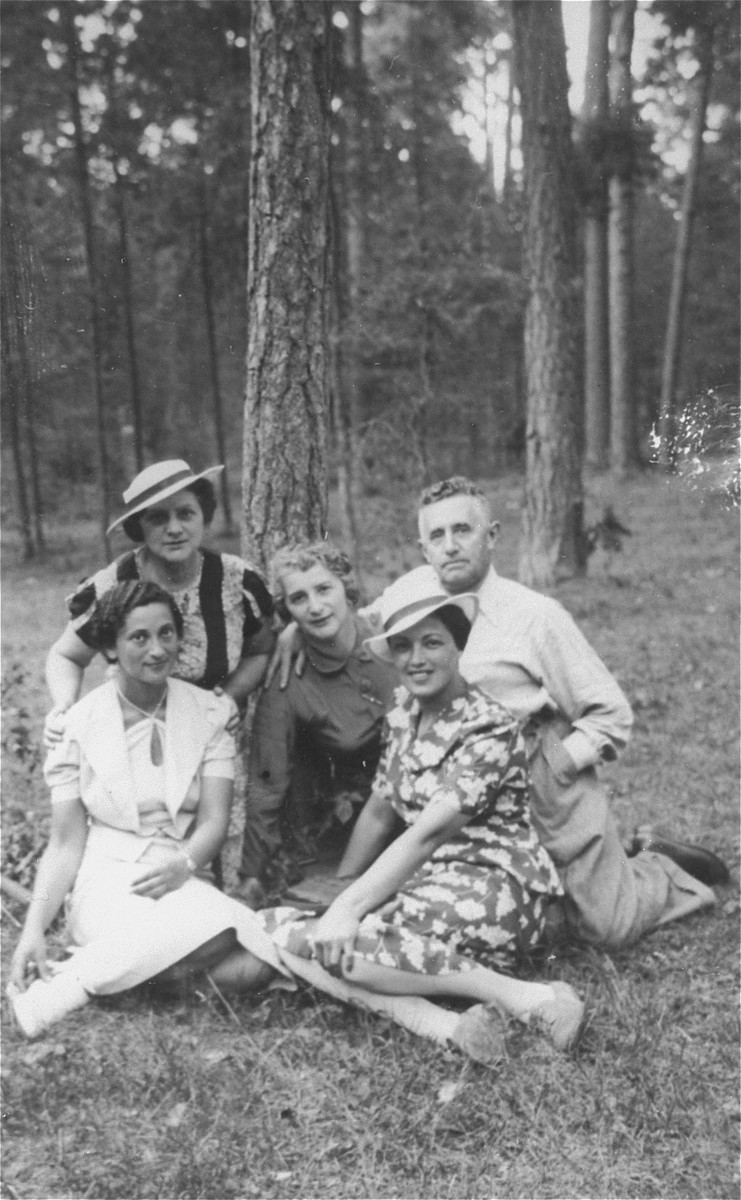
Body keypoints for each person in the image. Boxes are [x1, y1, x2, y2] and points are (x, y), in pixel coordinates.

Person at [378, 476, 729, 948]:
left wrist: (553, 766)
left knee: (606, 928)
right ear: (423, 549)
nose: (450, 546)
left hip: (536, 779)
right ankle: (603, 870)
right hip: (456, 789)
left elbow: (612, 713)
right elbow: (354, 624)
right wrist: (294, 641)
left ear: (493, 536)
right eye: (436, 536)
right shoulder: (415, 596)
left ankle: (660, 865)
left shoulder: (535, 615)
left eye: (463, 530)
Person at [253, 575, 584, 1059]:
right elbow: (380, 810)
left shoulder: (487, 725)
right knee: (274, 930)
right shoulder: (403, 715)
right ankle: (447, 1027)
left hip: (494, 886)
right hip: (423, 882)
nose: (417, 659)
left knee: (348, 946)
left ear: (458, 648)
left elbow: (429, 833)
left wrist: (347, 909)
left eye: (432, 643)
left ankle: (528, 998)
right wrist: (344, 887)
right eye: (403, 647)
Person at [7, 582, 288, 1040]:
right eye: (139, 638)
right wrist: (33, 930)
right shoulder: (76, 726)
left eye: (166, 634)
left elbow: (215, 820)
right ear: (110, 648)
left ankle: (93, 977)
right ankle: (80, 987)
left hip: (179, 869)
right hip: (109, 878)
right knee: (222, 936)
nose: (157, 650)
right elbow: (65, 842)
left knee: (252, 963)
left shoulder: (210, 712)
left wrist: (186, 864)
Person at [45, 459, 274, 739]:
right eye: (158, 518)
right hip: (133, 732)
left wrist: (228, 697)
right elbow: (66, 655)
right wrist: (64, 705)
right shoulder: (114, 583)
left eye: (186, 514)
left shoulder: (238, 580)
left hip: (213, 731)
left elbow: (259, 651)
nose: (175, 528)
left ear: (204, 515)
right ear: (139, 526)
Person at [237, 541, 398, 905]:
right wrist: (251, 876)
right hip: (349, 829)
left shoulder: (389, 644)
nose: (315, 607)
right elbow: (266, 782)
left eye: (324, 589)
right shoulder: (287, 683)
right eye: (299, 598)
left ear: (347, 589)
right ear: (287, 608)